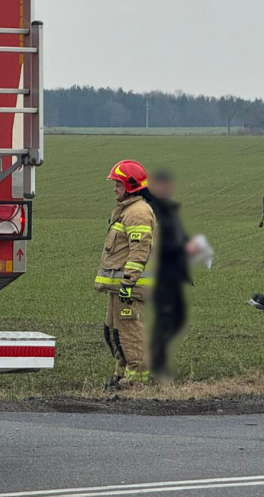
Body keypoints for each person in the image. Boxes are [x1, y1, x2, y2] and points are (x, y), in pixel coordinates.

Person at [95, 160, 157, 390]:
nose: (115, 189)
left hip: (129, 287)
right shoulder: (127, 210)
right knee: (114, 332)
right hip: (119, 286)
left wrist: (128, 283)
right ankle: (122, 373)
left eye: (118, 184)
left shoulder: (138, 213)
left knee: (130, 333)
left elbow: (139, 251)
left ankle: (136, 380)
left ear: (131, 186)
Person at [145, 170, 197, 382]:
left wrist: (189, 242)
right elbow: (156, 244)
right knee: (165, 320)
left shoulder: (168, 208)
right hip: (161, 276)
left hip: (174, 274)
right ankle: (156, 365)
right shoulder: (152, 211)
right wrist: (183, 247)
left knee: (178, 318)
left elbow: (177, 234)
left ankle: (156, 360)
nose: (168, 188)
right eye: (164, 185)